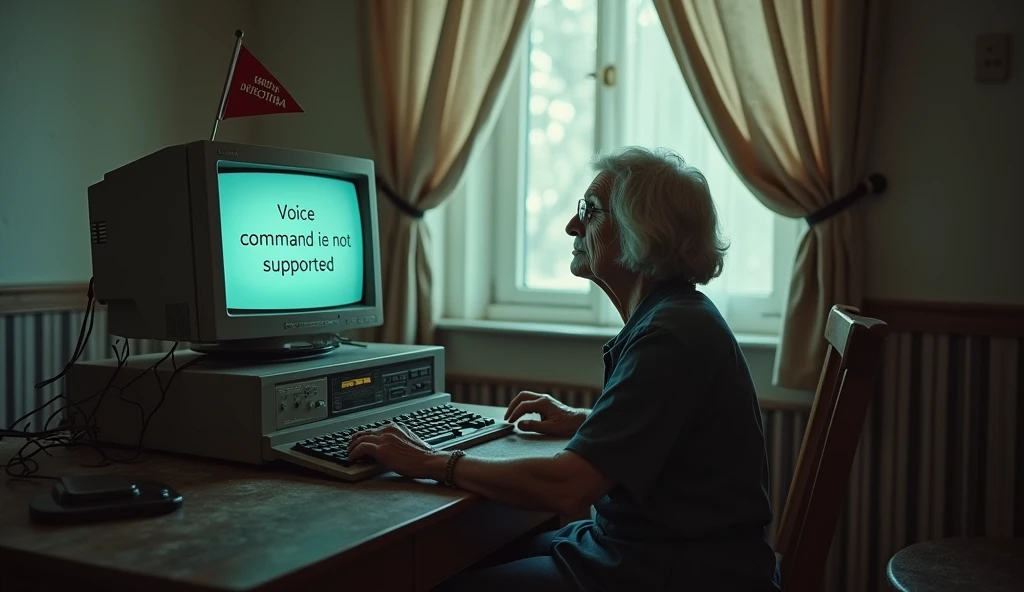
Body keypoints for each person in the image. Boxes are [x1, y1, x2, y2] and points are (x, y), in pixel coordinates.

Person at [347, 146, 781, 591]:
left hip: (667, 570)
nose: (572, 226)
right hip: (642, 550)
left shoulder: (669, 336)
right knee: (455, 557)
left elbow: (567, 488)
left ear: (641, 230)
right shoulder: (677, 316)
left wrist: (429, 460)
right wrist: (586, 423)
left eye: (590, 212)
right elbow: (672, 439)